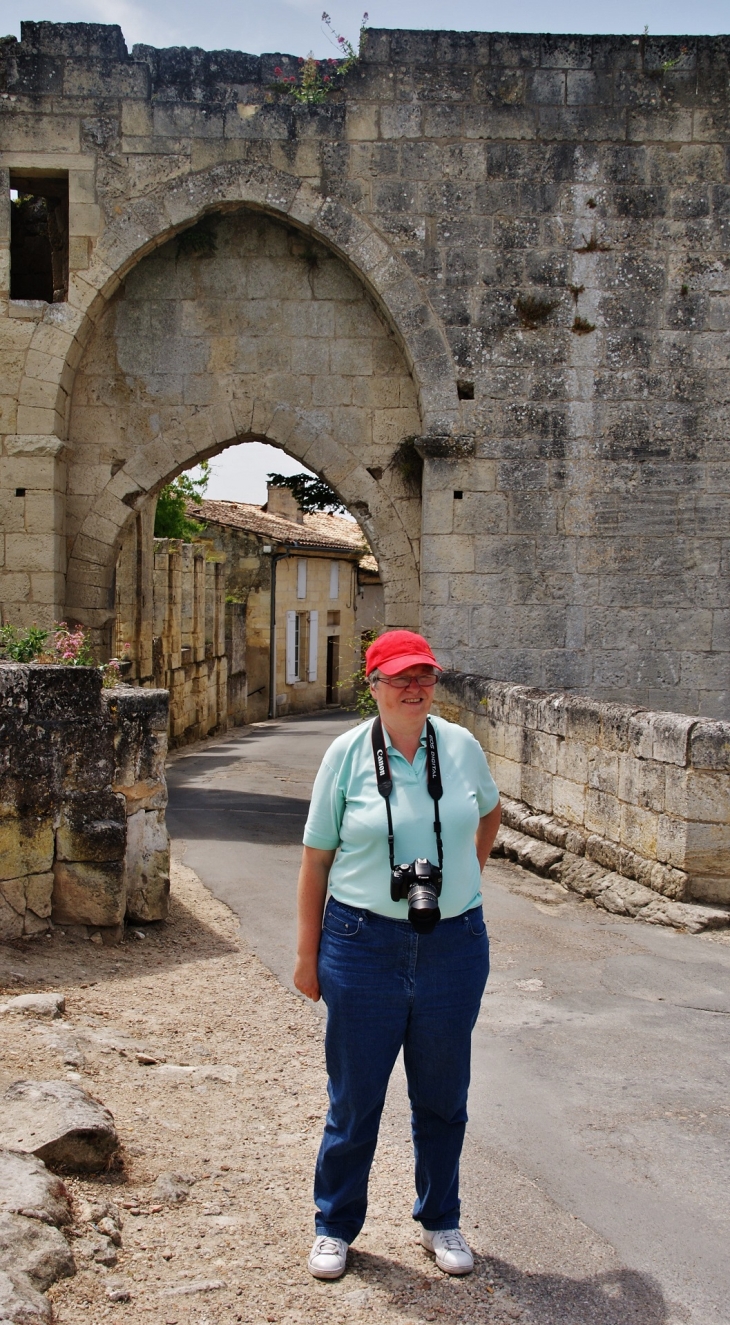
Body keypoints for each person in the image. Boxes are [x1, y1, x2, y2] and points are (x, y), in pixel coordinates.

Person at [294, 629, 501, 1281]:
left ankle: (441, 1217)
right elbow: (316, 858)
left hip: (452, 945)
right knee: (354, 1098)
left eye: (425, 677)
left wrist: (464, 879)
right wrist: (307, 956)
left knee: (444, 1095)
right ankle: (334, 1225)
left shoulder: (461, 748)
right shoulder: (347, 754)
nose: (415, 688)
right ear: (375, 685)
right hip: (362, 945)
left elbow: (490, 815)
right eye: (401, 677)